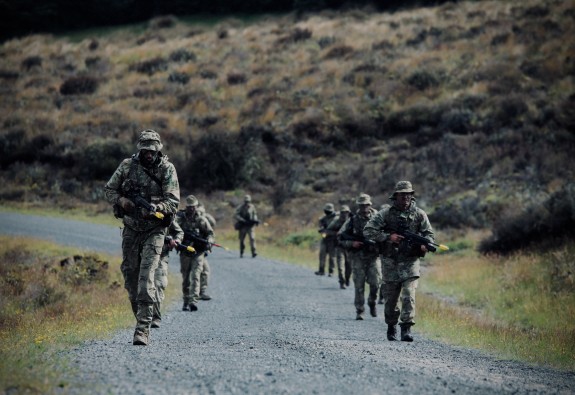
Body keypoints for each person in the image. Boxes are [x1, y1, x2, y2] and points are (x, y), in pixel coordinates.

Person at [104, 129, 180, 346]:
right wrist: (122, 202)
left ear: (158, 150)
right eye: (145, 150)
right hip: (130, 228)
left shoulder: (166, 169)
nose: (148, 154)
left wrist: (157, 207)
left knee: (146, 279)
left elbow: (174, 202)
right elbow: (109, 189)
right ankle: (143, 316)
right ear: (140, 149)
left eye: (152, 150)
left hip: (155, 230)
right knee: (130, 277)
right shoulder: (127, 166)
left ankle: (142, 330)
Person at [363, 181, 435, 342]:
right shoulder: (385, 214)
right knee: (390, 300)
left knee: (409, 294)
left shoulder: (419, 214)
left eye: (408, 194)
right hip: (390, 262)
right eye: (402, 194)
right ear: (395, 196)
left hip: (410, 261)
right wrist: (388, 237)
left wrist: (425, 244)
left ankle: (406, 328)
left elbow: (429, 234)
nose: (406, 197)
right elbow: (368, 230)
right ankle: (391, 326)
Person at [337, 194, 381, 320]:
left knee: (376, 283)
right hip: (358, 257)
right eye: (361, 205)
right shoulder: (352, 220)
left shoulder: (378, 218)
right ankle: (360, 310)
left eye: (366, 205)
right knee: (359, 285)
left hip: (373, 257)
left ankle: (372, 303)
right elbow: (340, 237)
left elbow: (386, 233)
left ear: (370, 205)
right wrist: (352, 243)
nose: (364, 207)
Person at [176, 195, 215, 312]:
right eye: (189, 207)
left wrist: (209, 242)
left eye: (193, 207)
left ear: (196, 207)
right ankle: (186, 301)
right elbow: (173, 230)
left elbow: (210, 233)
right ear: (186, 207)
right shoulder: (180, 218)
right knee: (186, 277)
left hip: (198, 252)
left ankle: (193, 301)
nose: (191, 209)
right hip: (185, 251)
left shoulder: (201, 219)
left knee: (196, 275)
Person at [152, 220, 184, 328]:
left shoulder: (166, 215)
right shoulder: (142, 214)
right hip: (143, 256)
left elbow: (179, 232)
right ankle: (143, 316)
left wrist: (176, 241)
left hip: (161, 256)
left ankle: (155, 317)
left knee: (158, 284)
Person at [326, 205, 351, 288]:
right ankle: (342, 282)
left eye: (346, 212)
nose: (344, 214)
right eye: (343, 212)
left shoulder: (352, 221)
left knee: (349, 267)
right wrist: (336, 233)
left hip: (350, 248)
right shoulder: (336, 221)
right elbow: (328, 230)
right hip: (339, 246)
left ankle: (347, 279)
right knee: (340, 267)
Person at [197, 203, 215, 301]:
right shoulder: (202, 216)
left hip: (201, 246)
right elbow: (213, 222)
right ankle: (200, 292)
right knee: (204, 270)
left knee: (202, 270)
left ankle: (198, 292)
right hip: (196, 247)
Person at [315, 203, 337, 276]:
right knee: (322, 255)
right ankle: (321, 270)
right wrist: (321, 230)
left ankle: (331, 271)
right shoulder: (323, 218)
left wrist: (330, 232)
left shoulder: (336, 218)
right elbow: (321, 227)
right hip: (325, 239)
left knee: (332, 257)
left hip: (333, 240)